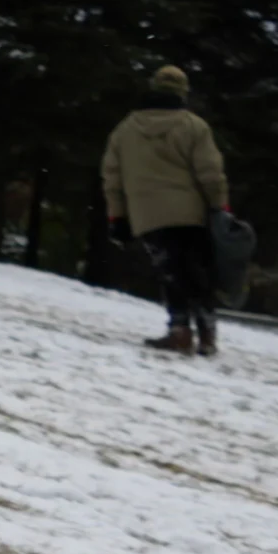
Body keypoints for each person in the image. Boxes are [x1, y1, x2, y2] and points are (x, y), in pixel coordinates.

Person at [102, 64, 231, 356]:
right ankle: (207, 333)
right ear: (183, 93)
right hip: (191, 213)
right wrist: (219, 206)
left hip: (148, 214)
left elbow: (112, 177)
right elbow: (211, 173)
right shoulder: (194, 127)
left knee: (171, 271)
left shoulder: (125, 129)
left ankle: (179, 331)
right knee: (199, 271)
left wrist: (117, 216)